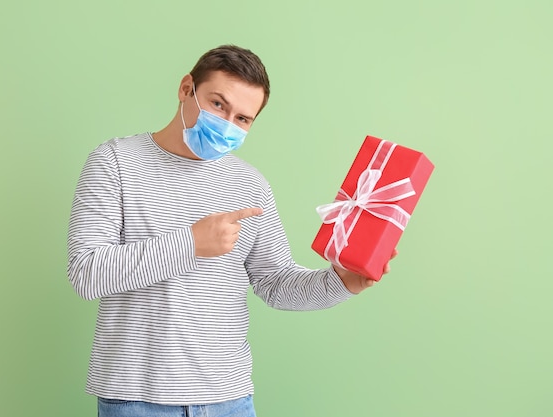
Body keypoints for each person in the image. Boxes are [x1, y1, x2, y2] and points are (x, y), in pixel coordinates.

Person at [67, 44, 395, 417]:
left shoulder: (250, 185)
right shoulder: (115, 162)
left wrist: (341, 282)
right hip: (137, 400)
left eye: (243, 118)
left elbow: (275, 282)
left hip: (230, 400)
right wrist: (191, 242)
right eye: (218, 104)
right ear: (186, 88)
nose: (226, 124)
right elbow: (86, 273)